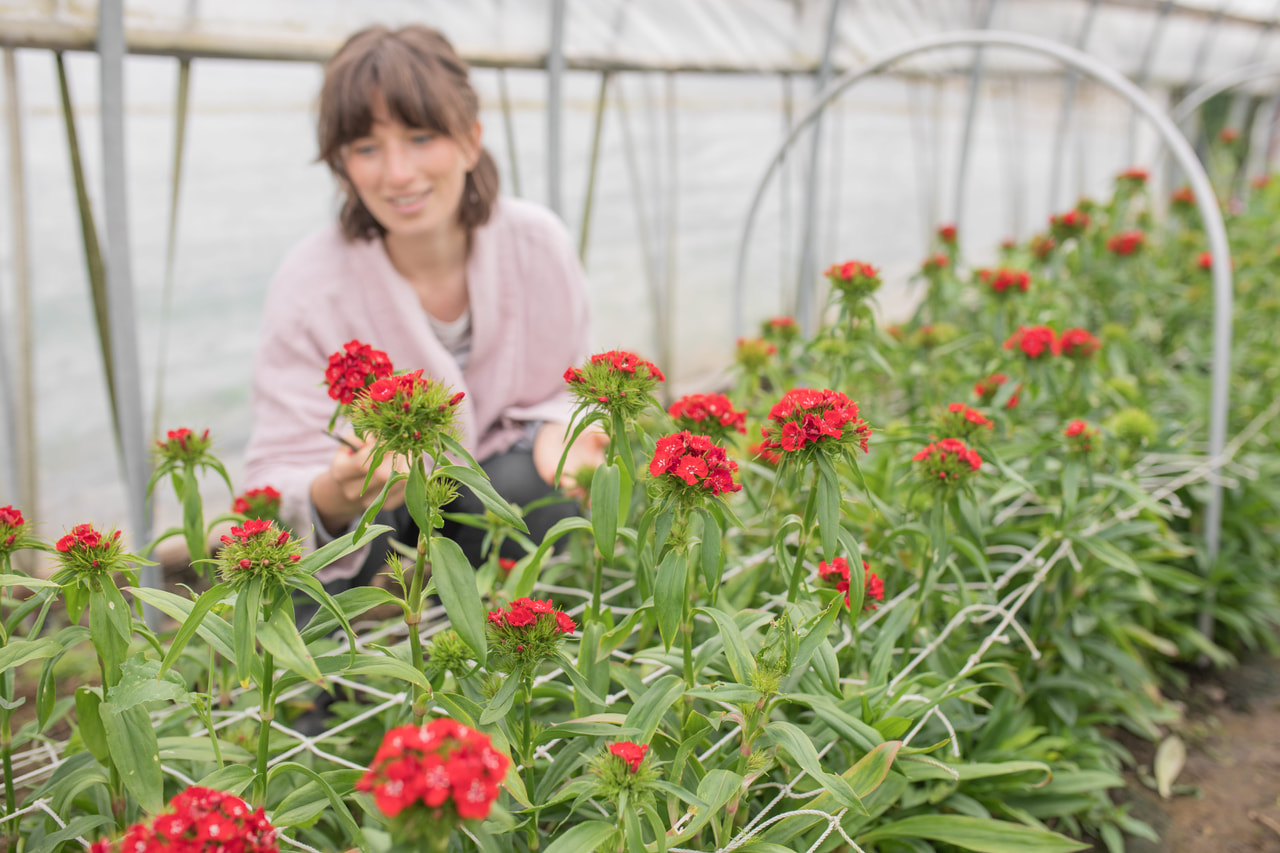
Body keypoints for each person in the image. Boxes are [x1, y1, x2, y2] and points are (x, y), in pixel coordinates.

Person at [243, 24, 608, 594]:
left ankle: (519, 628)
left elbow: (571, 384)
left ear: (470, 139)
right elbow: (274, 471)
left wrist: (558, 427)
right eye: (367, 148)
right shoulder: (310, 284)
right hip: (382, 515)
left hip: (491, 487)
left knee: (530, 491)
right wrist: (336, 494)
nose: (398, 174)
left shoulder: (537, 244)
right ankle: (360, 649)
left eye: (420, 137)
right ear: (342, 164)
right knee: (332, 557)